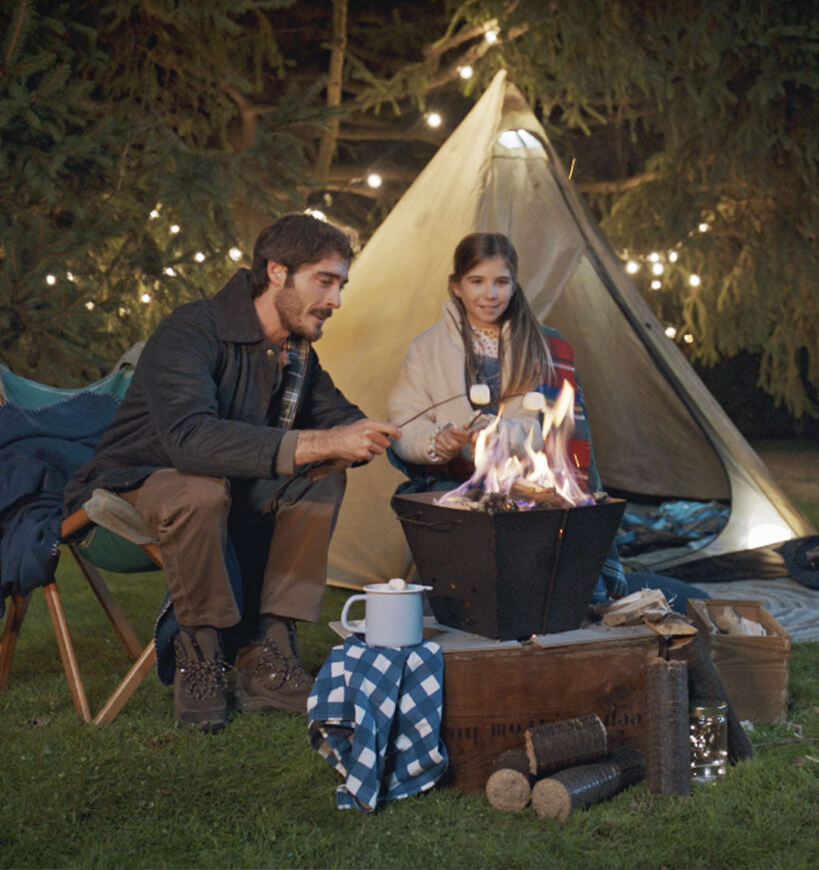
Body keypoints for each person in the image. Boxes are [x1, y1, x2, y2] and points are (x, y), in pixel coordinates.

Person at [65, 213, 400, 730]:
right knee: (200, 491)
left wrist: (371, 434)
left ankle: (268, 651)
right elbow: (190, 441)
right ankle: (199, 654)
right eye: (325, 281)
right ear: (277, 272)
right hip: (135, 482)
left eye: (340, 285)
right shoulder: (190, 328)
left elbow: (337, 417)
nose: (336, 300)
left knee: (325, 473)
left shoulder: (295, 352)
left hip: (230, 489)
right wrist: (319, 441)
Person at [386, 231, 707, 612]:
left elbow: (546, 431)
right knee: (460, 594)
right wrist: (436, 441)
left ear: (514, 284)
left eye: (501, 282)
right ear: (456, 286)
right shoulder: (426, 348)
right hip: (455, 486)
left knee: (534, 592)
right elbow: (406, 423)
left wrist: (493, 437)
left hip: (526, 493)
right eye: (477, 281)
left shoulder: (541, 345)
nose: (490, 294)